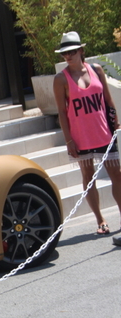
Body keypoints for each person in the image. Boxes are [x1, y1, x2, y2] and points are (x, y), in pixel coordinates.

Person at [53, 31, 121, 238]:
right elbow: (62, 113)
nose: (68, 56)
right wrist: (68, 141)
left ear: (81, 51)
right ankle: (100, 219)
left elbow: (108, 100)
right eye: (64, 53)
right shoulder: (60, 79)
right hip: (80, 136)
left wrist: (115, 121)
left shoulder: (96, 70)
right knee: (88, 176)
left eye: (72, 51)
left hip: (103, 132)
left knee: (117, 176)